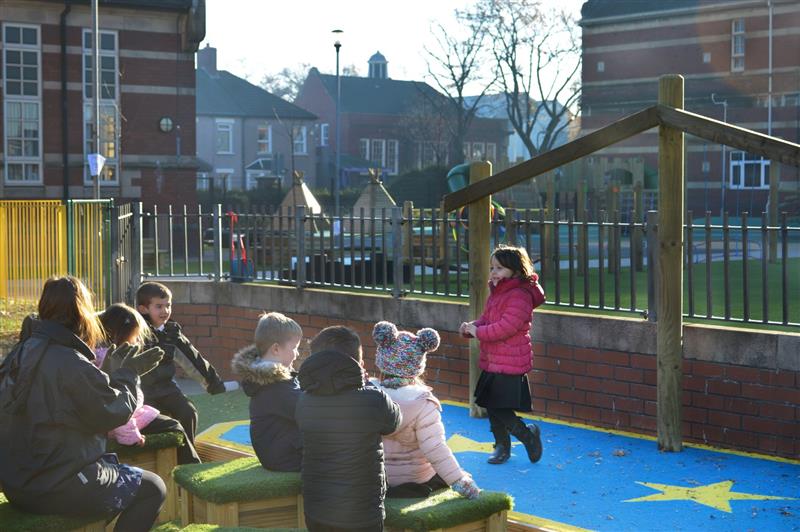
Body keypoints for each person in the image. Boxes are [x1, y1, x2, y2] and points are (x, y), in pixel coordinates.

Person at [0, 276, 166, 531]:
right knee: (154, 487)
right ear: (81, 312)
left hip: (18, 485)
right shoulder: (70, 361)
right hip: (58, 486)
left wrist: (112, 373)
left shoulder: (21, 350)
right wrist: (128, 374)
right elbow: (113, 412)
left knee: (110, 465)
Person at [295, 326, 402, 532]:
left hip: (317, 508)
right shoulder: (373, 398)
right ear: (359, 364)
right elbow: (394, 422)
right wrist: (366, 383)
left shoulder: (303, 400)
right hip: (361, 513)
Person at [372, 321, 480, 500]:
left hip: (375, 477)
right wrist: (459, 479)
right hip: (416, 478)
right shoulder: (423, 404)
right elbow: (435, 448)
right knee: (450, 475)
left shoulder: (366, 395)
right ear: (417, 366)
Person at [459, 245, 546, 465]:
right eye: (492, 268)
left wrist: (479, 332)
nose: (494, 272)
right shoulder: (498, 292)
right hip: (493, 359)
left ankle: (527, 435)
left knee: (500, 407)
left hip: (510, 361)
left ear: (515, 270)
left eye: (499, 268)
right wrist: (472, 327)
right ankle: (501, 445)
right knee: (491, 404)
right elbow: (488, 319)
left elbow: (506, 327)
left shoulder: (520, 295)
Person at [97, 303, 201, 464]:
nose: (138, 340)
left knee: (181, 415)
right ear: (121, 334)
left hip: (129, 413)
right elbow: (116, 406)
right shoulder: (112, 360)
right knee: (174, 426)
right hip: (119, 422)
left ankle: (189, 459)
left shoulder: (104, 354)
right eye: (135, 336)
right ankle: (191, 465)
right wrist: (130, 436)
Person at [136, 281, 226, 448]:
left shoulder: (171, 334)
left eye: (168, 305)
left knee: (188, 411)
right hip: (142, 392)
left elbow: (193, 359)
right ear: (144, 309)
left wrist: (213, 383)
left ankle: (187, 451)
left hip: (167, 388)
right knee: (154, 421)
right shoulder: (135, 332)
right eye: (159, 306)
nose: (165, 311)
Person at [231, 311, 303, 472]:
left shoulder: (273, 380)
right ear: (276, 349)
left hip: (279, 452)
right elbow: (307, 409)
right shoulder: (274, 386)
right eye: (294, 348)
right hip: (286, 457)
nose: (297, 354)